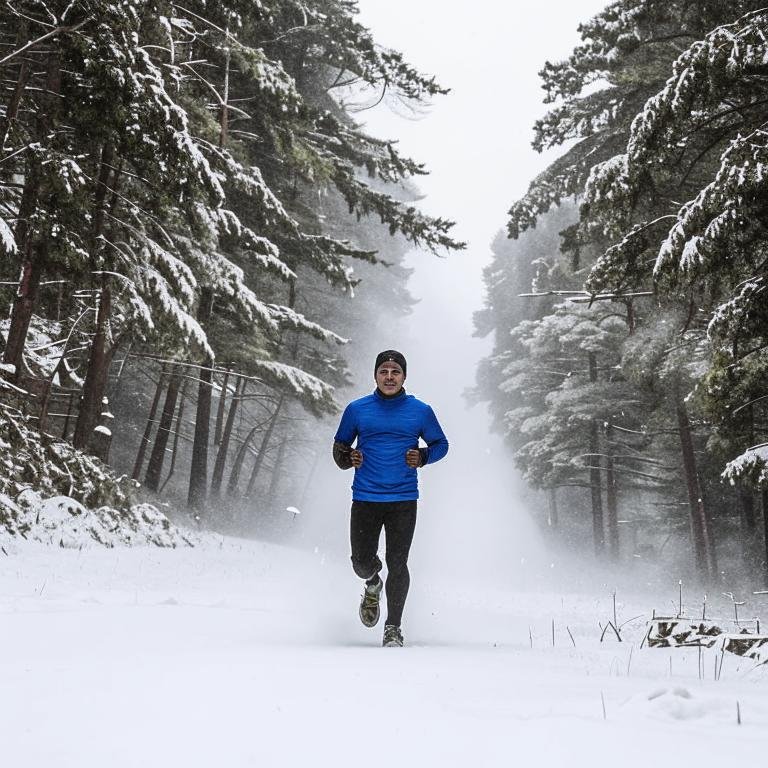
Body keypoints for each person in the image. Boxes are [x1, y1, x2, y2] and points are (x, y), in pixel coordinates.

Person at [332, 350, 449, 647]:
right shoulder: (358, 410)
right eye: (383, 371)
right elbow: (339, 451)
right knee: (360, 561)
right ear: (375, 375)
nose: (389, 376)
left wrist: (423, 456)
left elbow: (441, 444)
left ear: (404, 377)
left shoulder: (420, 411)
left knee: (399, 562)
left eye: (395, 371)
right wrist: (350, 457)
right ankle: (372, 581)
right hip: (366, 498)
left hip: (403, 499)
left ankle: (393, 627)